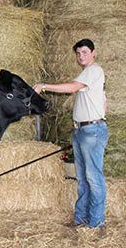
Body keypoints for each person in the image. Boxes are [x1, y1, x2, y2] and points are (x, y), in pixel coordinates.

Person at [34, 39, 108, 229]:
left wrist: (44, 86)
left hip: (91, 131)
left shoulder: (93, 70)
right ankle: (81, 219)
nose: (81, 56)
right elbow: (103, 100)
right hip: (83, 130)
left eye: (84, 52)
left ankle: (96, 222)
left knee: (93, 178)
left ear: (94, 53)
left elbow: (72, 88)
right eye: (78, 53)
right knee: (83, 178)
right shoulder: (88, 73)